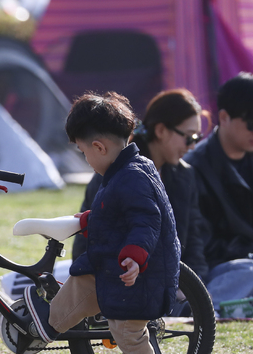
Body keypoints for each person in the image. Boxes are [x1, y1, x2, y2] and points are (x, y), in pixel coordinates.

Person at [23, 92, 181, 354]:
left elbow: (146, 220)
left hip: (137, 274)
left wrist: (135, 257)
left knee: (128, 333)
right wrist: (85, 221)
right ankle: (47, 324)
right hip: (112, 268)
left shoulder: (131, 177)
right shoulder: (127, 171)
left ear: (99, 147)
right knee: (82, 282)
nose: (85, 160)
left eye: (83, 153)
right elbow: (114, 213)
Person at [72, 89, 208, 294]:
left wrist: (196, 291)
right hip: (120, 281)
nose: (192, 146)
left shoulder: (184, 176)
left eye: (197, 138)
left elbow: (194, 241)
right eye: (189, 137)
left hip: (167, 280)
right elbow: (88, 240)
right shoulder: (114, 170)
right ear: (161, 130)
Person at [183, 73, 253, 314]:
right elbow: (199, 245)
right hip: (221, 269)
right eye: (250, 122)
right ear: (224, 117)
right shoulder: (194, 168)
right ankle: (200, 310)